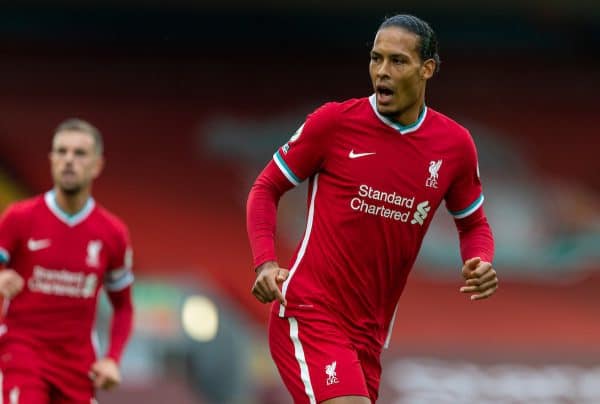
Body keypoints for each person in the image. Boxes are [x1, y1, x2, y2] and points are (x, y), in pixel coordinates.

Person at [247, 14, 498, 404]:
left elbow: (474, 225)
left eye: (397, 61)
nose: (382, 71)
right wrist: (264, 262)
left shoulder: (454, 146)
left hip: (368, 334)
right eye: (376, 58)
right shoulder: (334, 123)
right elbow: (265, 188)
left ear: (427, 69)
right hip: (310, 311)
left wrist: (480, 260)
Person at [0, 118, 134, 403]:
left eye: (79, 153)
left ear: (97, 165)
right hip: (22, 351)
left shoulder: (112, 233)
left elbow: (123, 306)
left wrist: (112, 358)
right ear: (51, 160)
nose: (68, 160)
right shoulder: (18, 218)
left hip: (77, 364)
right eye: (61, 152)